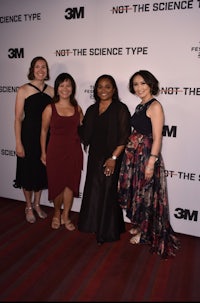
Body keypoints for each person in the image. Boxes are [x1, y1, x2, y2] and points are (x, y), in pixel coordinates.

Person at [118, 70, 180, 259]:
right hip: (135, 156)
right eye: (136, 84)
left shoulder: (155, 106)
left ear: (151, 84)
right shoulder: (140, 106)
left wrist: (151, 162)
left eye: (143, 83)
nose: (139, 88)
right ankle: (139, 225)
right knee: (139, 191)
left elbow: (157, 138)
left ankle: (146, 234)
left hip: (146, 155)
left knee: (147, 194)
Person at [78, 74, 131, 244]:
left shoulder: (120, 109)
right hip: (95, 157)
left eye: (107, 86)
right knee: (94, 191)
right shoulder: (92, 110)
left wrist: (114, 158)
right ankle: (93, 224)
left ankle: (106, 231)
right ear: (96, 89)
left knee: (108, 192)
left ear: (114, 89)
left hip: (112, 157)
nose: (103, 90)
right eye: (100, 86)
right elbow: (85, 132)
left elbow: (124, 136)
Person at [40, 73, 83, 230]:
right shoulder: (49, 108)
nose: (65, 88)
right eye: (62, 85)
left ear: (73, 88)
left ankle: (66, 216)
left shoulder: (77, 108)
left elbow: (84, 129)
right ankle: (57, 213)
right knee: (57, 184)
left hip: (73, 151)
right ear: (57, 88)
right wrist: (43, 153)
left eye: (68, 85)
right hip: (55, 151)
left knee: (70, 185)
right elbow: (44, 131)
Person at [13, 56, 54, 224]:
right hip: (28, 137)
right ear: (32, 69)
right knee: (28, 172)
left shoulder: (52, 91)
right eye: (37, 67)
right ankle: (28, 206)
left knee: (40, 172)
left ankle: (37, 204)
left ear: (47, 70)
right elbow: (17, 119)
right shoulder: (23, 90)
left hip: (46, 138)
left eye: (43, 67)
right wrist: (18, 142)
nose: (40, 70)